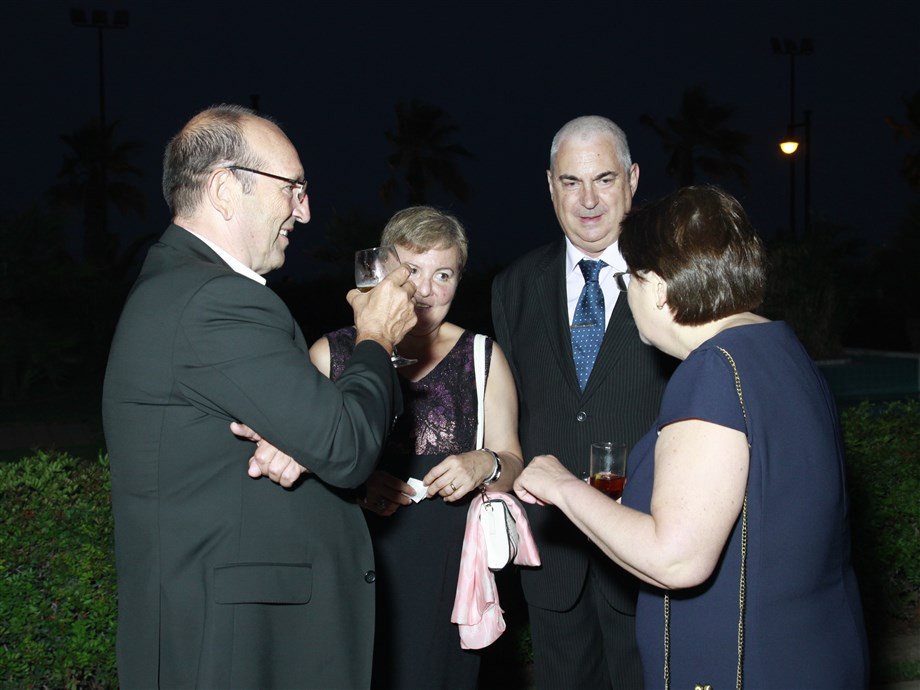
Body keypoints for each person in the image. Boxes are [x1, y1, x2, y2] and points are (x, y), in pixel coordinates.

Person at [102, 104, 418, 689]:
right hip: (227, 646)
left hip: (234, 631)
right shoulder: (214, 299)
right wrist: (376, 336)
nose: (305, 209)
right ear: (225, 189)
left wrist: (304, 438)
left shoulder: (187, 287)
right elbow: (348, 447)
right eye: (292, 187)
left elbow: (323, 437)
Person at [514, 185, 870, 688]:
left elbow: (676, 559)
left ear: (658, 288)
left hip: (741, 665)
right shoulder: (780, 347)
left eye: (628, 279)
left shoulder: (712, 372)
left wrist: (560, 485)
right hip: (816, 653)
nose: (628, 294)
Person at [302, 206, 523, 689]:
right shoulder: (330, 355)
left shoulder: (483, 356)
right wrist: (356, 487)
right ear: (382, 273)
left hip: (448, 575)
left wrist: (485, 463)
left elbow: (513, 464)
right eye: (412, 271)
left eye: (443, 274)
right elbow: (298, 469)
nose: (425, 290)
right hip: (354, 566)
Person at [491, 115, 671, 688]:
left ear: (632, 179)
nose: (588, 200)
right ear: (550, 185)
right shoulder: (513, 286)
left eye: (604, 179)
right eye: (571, 182)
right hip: (553, 558)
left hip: (648, 551)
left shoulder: (672, 278)